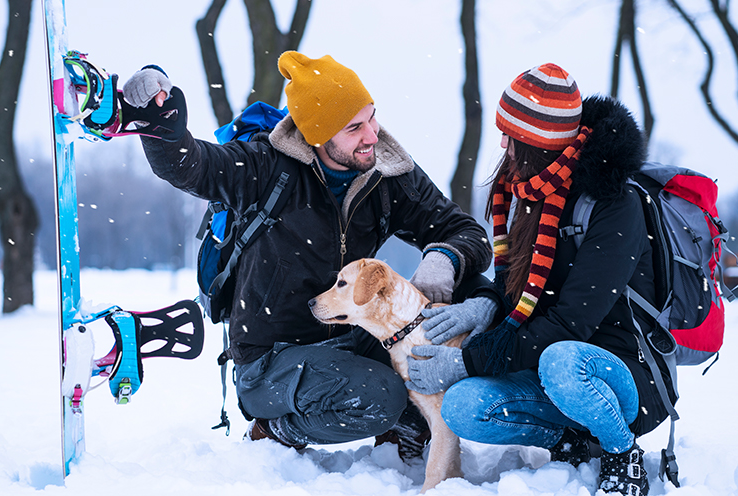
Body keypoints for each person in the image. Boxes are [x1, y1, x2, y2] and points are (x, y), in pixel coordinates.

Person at [122, 52, 493, 457]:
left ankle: (406, 425)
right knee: (380, 397)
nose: (372, 135)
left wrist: (444, 259)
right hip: (272, 359)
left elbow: (466, 232)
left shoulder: (385, 173)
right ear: (318, 136)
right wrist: (162, 131)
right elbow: (194, 167)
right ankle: (276, 429)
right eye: (354, 128)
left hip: (353, 336)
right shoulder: (266, 167)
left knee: (466, 289)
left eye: (372, 117)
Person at [404, 63, 672, 495]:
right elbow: (517, 284)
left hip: (619, 373)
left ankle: (621, 452)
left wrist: (467, 361)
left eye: (513, 139)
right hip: (543, 365)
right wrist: (486, 303)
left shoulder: (613, 204)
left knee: (563, 360)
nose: (504, 147)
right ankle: (573, 440)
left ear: (538, 146)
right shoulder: (521, 193)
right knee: (463, 406)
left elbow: (571, 323)